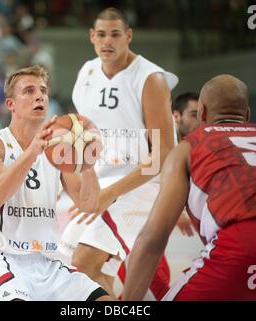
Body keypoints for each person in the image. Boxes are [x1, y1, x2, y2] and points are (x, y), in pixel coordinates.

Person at [59, 7, 178, 299]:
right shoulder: (87, 73)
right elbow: (83, 136)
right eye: (101, 34)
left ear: (128, 36)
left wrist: (109, 193)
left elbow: (162, 155)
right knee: (70, 268)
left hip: (142, 185)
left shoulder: (150, 79)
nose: (107, 41)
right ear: (91, 37)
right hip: (103, 185)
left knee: (84, 263)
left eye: (115, 34)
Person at [0, 65, 111, 301]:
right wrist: (32, 151)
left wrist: (87, 164)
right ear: (10, 104)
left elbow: (89, 204)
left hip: (48, 262)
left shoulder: (57, 151)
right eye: (29, 91)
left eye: (43, 90)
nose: (39, 95)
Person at [123, 74, 256, 301]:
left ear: (202, 113)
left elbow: (152, 238)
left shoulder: (189, 147)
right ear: (247, 114)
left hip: (241, 246)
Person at [172, 92, 200, 237]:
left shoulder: (199, 145)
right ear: (176, 116)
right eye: (194, 115)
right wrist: (177, 211)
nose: (200, 122)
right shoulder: (156, 137)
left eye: (202, 116)